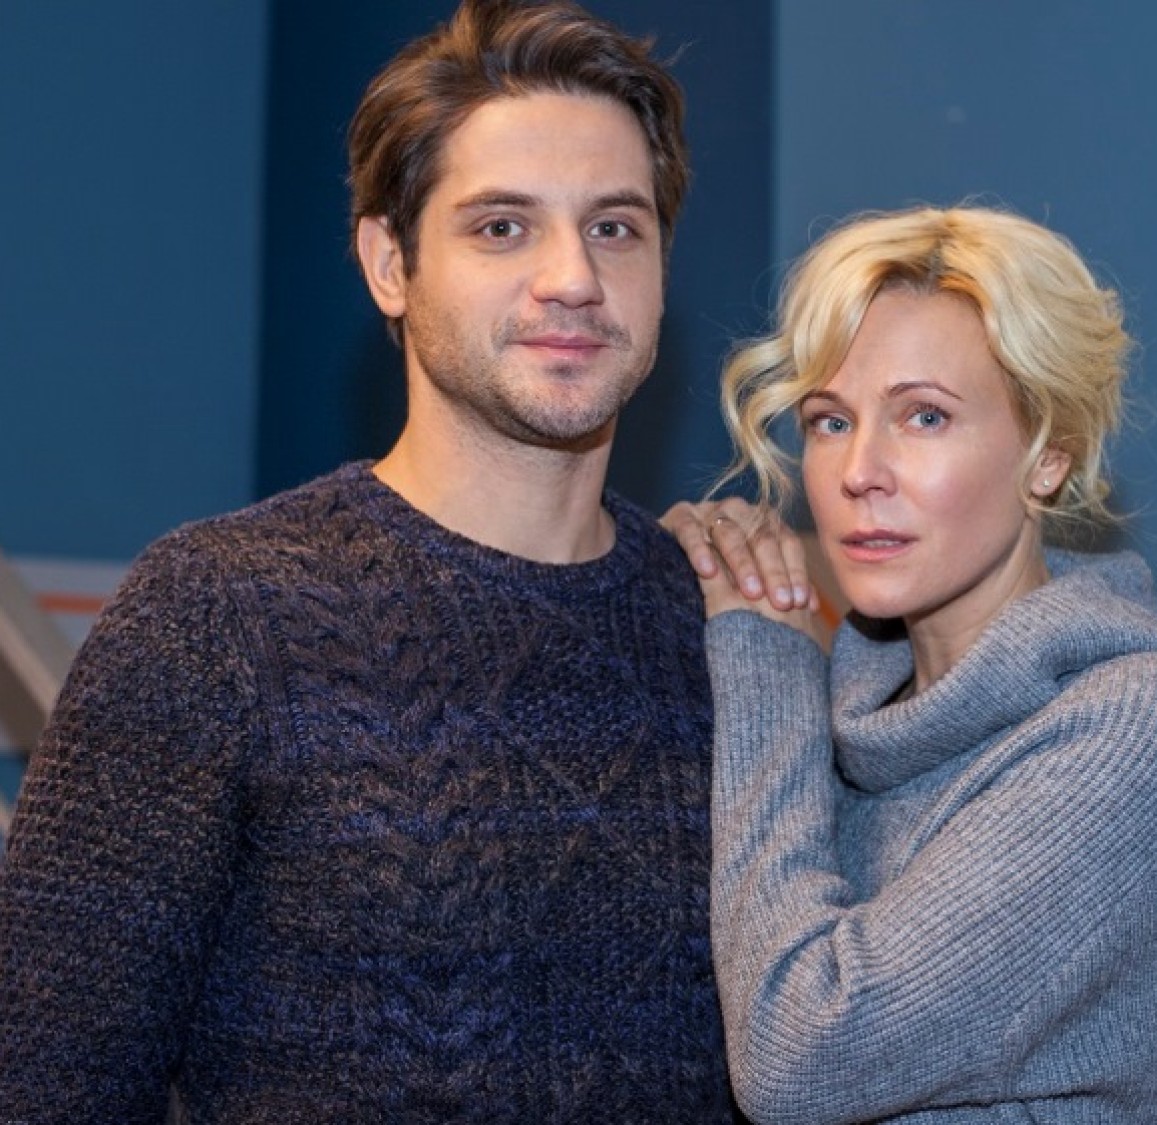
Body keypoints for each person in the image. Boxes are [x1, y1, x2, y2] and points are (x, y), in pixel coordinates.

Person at [0, 1, 804, 1119]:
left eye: (616, 227)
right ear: (390, 262)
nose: (573, 277)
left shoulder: (733, 628)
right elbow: (43, 1081)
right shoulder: (216, 613)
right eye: (503, 227)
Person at [671, 205, 1157, 1123]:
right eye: (829, 421)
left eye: (925, 416)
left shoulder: (1145, 720)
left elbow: (801, 1056)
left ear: (1046, 458)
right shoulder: (855, 716)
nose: (859, 470)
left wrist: (768, 657)